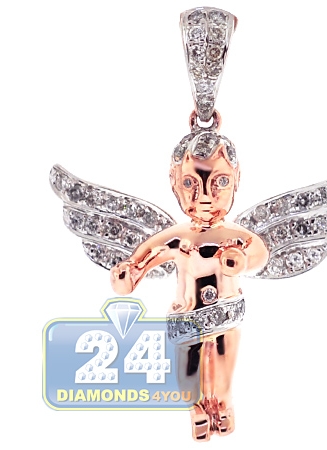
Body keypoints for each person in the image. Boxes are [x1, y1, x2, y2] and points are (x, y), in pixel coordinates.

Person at [110, 131, 269, 441]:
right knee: (189, 372)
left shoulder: (235, 236)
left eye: (219, 182)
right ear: (174, 184)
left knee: (222, 371)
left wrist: (241, 259)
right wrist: (127, 274)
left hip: (226, 317)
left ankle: (222, 405)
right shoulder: (178, 237)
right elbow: (141, 260)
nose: (205, 196)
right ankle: (196, 409)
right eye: (190, 184)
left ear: (237, 180)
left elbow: (259, 252)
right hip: (186, 320)